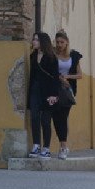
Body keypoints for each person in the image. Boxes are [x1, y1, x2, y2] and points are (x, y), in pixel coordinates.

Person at [27, 30, 61, 158]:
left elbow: (55, 78)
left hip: (48, 92)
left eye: (36, 39)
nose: (33, 41)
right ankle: (36, 145)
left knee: (45, 121)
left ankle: (46, 147)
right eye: (34, 39)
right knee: (34, 118)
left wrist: (54, 95)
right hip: (35, 91)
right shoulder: (32, 56)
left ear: (42, 42)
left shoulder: (51, 58)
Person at [52, 28, 84, 160]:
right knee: (55, 117)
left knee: (63, 117)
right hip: (53, 90)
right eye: (57, 42)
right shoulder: (53, 55)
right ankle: (62, 145)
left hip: (67, 91)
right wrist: (58, 77)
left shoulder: (74, 56)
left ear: (67, 43)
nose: (59, 45)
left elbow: (80, 75)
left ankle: (63, 147)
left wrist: (67, 77)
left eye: (61, 42)